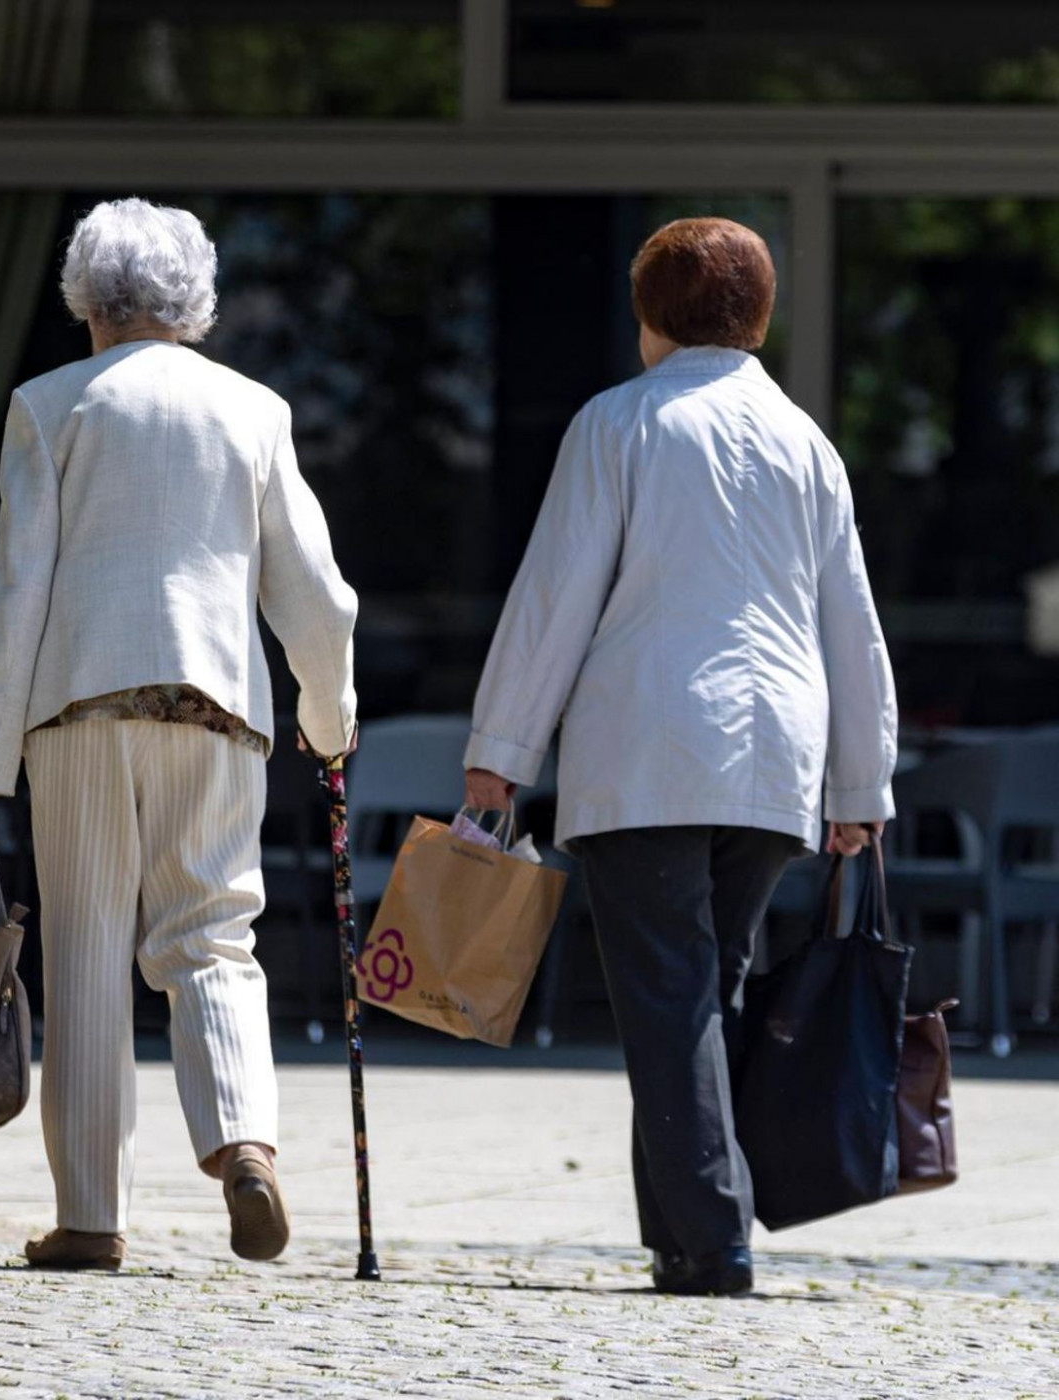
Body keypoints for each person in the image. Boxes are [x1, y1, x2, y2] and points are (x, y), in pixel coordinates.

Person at [463, 217, 896, 1297]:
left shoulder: (619, 422)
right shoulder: (808, 444)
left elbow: (553, 597)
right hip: (773, 757)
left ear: (648, 315)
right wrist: (860, 780)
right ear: (759, 316)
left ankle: (711, 1238)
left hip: (647, 744)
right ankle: (682, 1228)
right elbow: (853, 620)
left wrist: (498, 751)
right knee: (707, 989)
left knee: (667, 997)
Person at [0, 198, 358, 1271]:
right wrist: (329, 717)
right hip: (215, 701)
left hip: (76, 703)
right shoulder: (251, 408)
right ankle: (243, 1144)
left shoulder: (46, 404)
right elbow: (312, 592)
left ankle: (90, 1215)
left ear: (85, 295)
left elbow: (14, 595)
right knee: (213, 932)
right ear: (193, 298)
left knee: (84, 949)